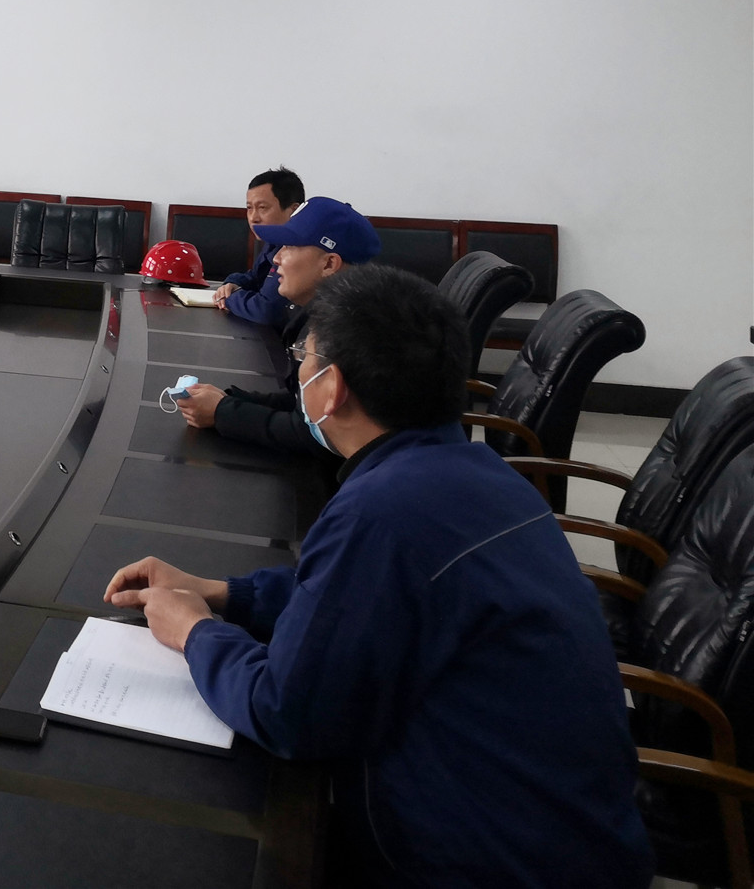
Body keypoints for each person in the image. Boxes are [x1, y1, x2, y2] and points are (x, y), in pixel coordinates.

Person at [107, 265, 651, 888]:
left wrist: (194, 631)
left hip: (485, 863)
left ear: (331, 388)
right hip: (569, 840)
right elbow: (359, 596)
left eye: (303, 359)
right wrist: (229, 593)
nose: (299, 373)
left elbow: (287, 714)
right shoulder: (480, 472)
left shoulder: (383, 512)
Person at [176, 196, 381, 456]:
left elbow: (318, 435)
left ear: (329, 263)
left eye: (290, 246)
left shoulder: (354, 334)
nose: (276, 258)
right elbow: (303, 404)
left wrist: (222, 412)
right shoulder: (324, 314)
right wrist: (230, 399)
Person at [210, 166, 303, 328]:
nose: (253, 218)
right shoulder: (273, 242)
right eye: (249, 208)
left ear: (293, 211)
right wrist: (232, 284)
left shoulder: (299, 249)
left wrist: (230, 297)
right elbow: (255, 277)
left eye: (262, 208)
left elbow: (265, 310)